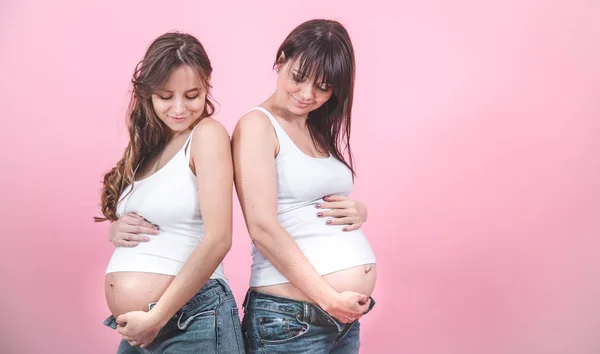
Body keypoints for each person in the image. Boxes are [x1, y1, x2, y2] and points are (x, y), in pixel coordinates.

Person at [232, 19, 377, 354]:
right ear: (281, 59)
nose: (307, 94)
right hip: (292, 319)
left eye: (323, 87)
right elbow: (262, 227)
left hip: (338, 318)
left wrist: (360, 210)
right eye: (299, 77)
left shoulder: (315, 127)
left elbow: (310, 202)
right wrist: (328, 298)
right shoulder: (257, 126)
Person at [96, 32, 244, 354]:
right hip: (142, 328)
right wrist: (116, 229)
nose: (179, 108)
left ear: (207, 87)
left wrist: (157, 316)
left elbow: (219, 239)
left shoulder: (207, 135)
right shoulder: (149, 149)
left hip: (191, 318)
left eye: (192, 95)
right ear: (148, 94)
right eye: (165, 96)